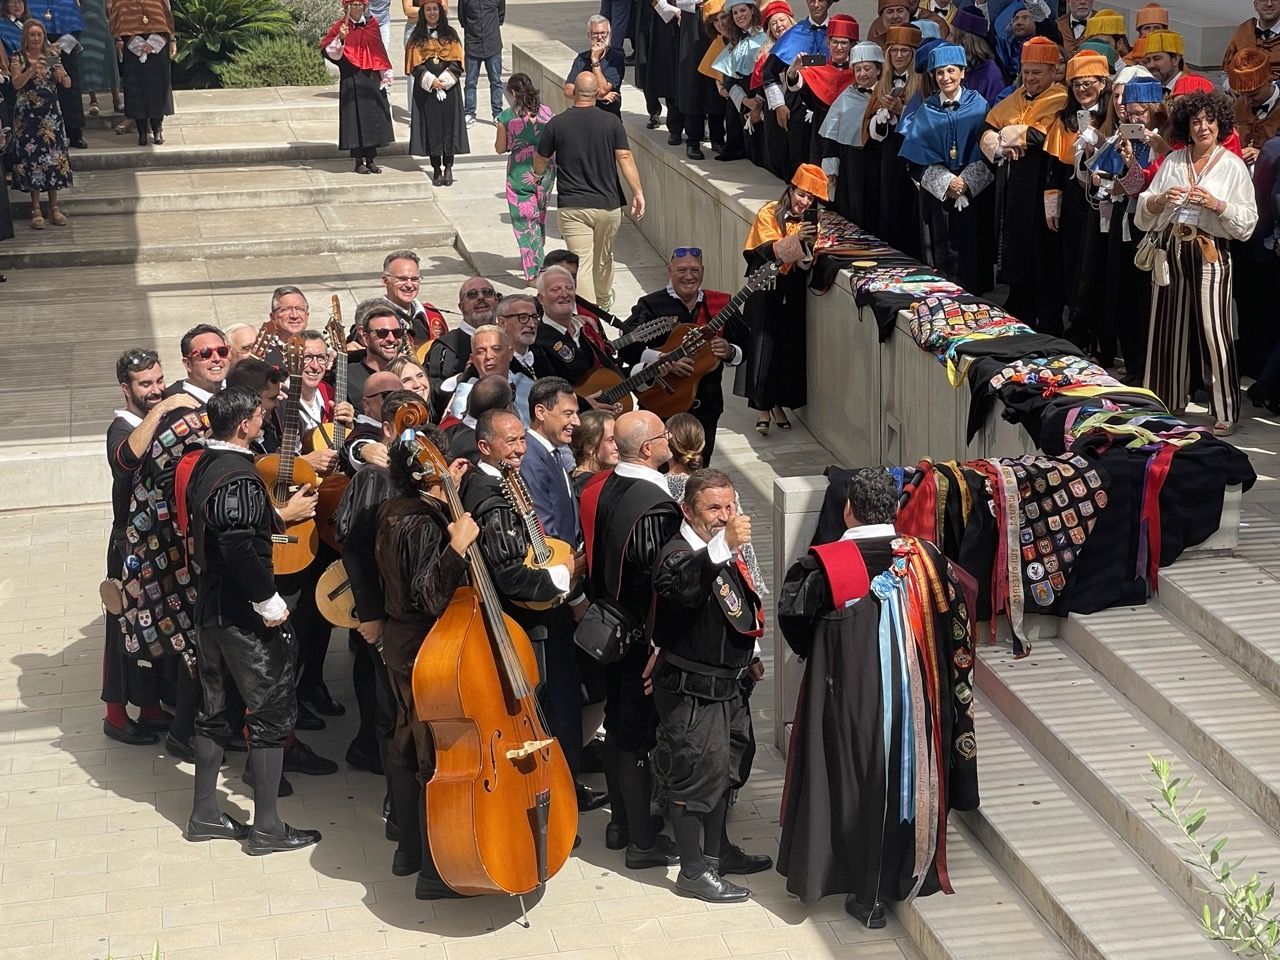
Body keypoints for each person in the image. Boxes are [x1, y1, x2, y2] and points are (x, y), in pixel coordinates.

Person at [776, 467, 979, 926]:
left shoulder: (825, 564)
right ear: (896, 510)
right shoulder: (927, 558)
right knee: (903, 779)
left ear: (848, 509)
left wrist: (825, 650)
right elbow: (961, 607)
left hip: (848, 692)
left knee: (851, 780)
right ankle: (901, 872)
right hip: (917, 696)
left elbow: (795, 618)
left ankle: (858, 887)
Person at [184, 387, 322, 854]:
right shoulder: (240, 475)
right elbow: (239, 546)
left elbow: (227, 529)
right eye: (260, 415)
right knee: (268, 714)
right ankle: (266, 828)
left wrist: (277, 518)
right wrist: (270, 603)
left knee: (214, 709)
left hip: (210, 609)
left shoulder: (204, 463)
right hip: (242, 616)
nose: (264, 420)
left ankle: (205, 813)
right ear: (244, 424)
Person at [650, 467, 771, 903]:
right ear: (688, 509)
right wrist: (722, 546)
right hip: (692, 693)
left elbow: (737, 606)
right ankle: (693, 872)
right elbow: (683, 587)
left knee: (727, 771)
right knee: (693, 778)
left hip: (730, 687)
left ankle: (718, 856)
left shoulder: (725, 550)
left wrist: (750, 657)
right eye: (713, 508)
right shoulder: (679, 553)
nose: (724, 516)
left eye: (730, 506)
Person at [460, 407, 592, 797]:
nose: (520, 449)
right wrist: (565, 573)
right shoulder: (492, 500)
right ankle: (559, 794)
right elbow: (512, 576)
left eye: (521, 439)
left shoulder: (503, 479)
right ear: (485, 446)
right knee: (552, 710)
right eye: (510, 441)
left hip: (536, 618)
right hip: (531, 625)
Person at [374, 422, 476, 900]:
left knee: (404, 741)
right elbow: (430, 595)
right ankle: (435, 871)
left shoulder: (398, 508)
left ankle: (407, 850)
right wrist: (457, 545)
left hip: (403, 642)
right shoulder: (419, 521)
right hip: (422, 647)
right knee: (428, 754)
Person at [576, 409, 681, 865]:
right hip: (640, 641)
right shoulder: (654, 505)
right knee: (634, 734)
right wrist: (659, 646)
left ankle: (621, 824)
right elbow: (657, 583)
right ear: (647, 449)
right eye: (663, 435)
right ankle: (642, 841)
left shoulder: (604, 486)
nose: (670, 439)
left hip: (609, 627)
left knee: (619, 728)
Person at [1136, 90, 1258, 435]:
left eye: (1209, 120)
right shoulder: (1174, 161)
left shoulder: (1233, 166)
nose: (1203, 127)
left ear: (1220, 125)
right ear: (1186, 127)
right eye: (1195, 121)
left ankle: (1225, 409)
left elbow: (1248, 223)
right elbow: (1145, 211)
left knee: (1215, 329)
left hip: (1211, 251)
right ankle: (1165, 401)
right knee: (1165, 327)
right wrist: (1160, 199)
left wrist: (1217, 204)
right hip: (1172, 247)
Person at [102, 350, 197, 746]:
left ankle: (151, 706)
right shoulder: (122, 426)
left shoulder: (157, 412)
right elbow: (126, 459)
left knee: (158, 623)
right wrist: (163, 411)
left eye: (160, 381)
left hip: (162, 539)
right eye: (146, 384)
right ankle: (116, 715)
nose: (156, 390)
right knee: (123, 628)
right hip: (128, 544)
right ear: (126, 388)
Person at [618, 246, 745, 465]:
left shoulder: (719, 305)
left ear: (703, 271)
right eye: (682, 270)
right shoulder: (650, 305)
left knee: (700, 470)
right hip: (662, 407)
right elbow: (627, 349)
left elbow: (745, 346)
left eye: (694, 270)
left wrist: (730, 350)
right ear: (670, 270)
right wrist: (661, 359)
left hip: (706, 408)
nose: (689, 276)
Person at [535, 71, 645, 311]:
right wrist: (637, 192)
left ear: (574, 92)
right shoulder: (612, 122)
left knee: (581, 262)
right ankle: (603, 302)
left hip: (573, 205)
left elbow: (541, 157)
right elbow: (624, 156)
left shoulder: (557, 123)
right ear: (597, 93)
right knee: (604, 257)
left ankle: (590, 314)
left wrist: (537, 176)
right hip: (608, 204)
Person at [981, 35, 1068, 333]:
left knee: (1044, 260)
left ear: (1053, 72)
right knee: (1016, 254)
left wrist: (1009, 133)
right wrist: (999, 143)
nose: (1029, 78)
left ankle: (1049, 324)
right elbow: (988, 127)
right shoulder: (1015, 96)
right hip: (1015, 190)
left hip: (1045, 187)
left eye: (1036, 72)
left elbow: (1042, 136)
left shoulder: (1060, 99)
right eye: (1026, 71)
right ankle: (1019, 315)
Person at [736, 163, 826, 435]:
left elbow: (806, 263)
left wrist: (808, 244)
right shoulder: (768, 213)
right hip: (765, 286)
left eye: (810, 198)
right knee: (762, 346)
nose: (804, 202)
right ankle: (763, 408)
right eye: (801, 195)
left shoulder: (812, 223)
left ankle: (778, 405)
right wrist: (796, 239)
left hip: (791, 289)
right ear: (790, 190)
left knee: (787, 347)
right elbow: (767, 250)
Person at [1044, 49, 1111, 358]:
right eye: (1076, 85)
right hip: (1073, 201)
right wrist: (1052, 208)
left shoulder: (1112, 114)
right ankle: (1078, 329)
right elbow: (1054, 171)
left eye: (1089, 83)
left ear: (1103, 82)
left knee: (1099, 270)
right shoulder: (1065, 119)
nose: (1082, 90)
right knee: (1072, 265)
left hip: (1105, 200)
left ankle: (1102, 337)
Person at [1101, 75, 1164, 383]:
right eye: (1130, 112)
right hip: (1123, 224)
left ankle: (1149, 365)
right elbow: (1102, 178)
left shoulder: (1165, 143)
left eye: (1141, 112)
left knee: (1145, 298)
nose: (1136, 118)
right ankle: (1134, 361)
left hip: (1153, 230)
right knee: (1124, 292)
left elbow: (1143, 186)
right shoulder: (1124, 139)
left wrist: (1126, 178)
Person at [864, 25, 923, 257]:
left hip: (911, 151)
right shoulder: (882, 82)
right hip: (887, 151)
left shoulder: (921, 83)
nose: (899, 55)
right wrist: (881, 120)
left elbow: (926, 121)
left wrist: (902, 110)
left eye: (905, 51)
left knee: (909, 204)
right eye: (894, 51)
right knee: (888, 201)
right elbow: (868, 124)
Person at [10, 20, 73, 229]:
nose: (36, 39)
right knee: (33, 160)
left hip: (50, 116)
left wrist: (59, 71)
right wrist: (32, 68)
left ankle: (54, 207)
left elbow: (67, 83)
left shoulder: (52, 56)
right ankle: (35, 207)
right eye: (32, 35)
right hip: (27, 117)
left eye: (39, 35)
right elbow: (16, 83)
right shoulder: (18, 57)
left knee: (53, 158)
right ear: (26, 38)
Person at [495, 73, 557, 281]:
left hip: (519, 175)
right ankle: (540, 256)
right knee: (539, 216)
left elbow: (500, 148)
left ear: (512, 93)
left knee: (523, 223)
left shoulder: (506, 117)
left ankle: (533, 271)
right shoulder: (547, 113)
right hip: (546, 173)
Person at [321, 0, 394, 175]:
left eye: (360, 5)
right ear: (346, 8)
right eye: (353, 5)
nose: (357, 8)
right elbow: (328, 51)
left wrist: (384, 72)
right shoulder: (340, 26)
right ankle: (358, 161)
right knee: (355, 120)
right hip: (351, 77)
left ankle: (371, 159)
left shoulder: (372, 24)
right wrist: (341, 38)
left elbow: (378, 49)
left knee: (372, 119)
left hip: (370, 77)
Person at [819, 39, 884, 230]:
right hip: (851, 163)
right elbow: (831, 136)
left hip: (879, 163)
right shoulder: (846, 97)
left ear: (878, 70)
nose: (862, 74)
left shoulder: (887, 94)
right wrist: (830, 169)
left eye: (867, 68)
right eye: (858, 69)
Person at [782, 12, 858, 169]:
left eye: (844, 43)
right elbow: (797, 84)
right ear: (828, 44)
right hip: (820, 129)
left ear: (851, 46)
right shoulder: (818, 62)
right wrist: (793, 71)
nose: (838, 47)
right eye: (834, 42)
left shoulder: (860, 70)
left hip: (849, 131)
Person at [406, 0, 469, 187]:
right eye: (428, 9)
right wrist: (430, 81)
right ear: (422, 12)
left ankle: (448, 166)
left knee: (449, 127)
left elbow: (458, 62)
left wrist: (444, 81)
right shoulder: (416, 38)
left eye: (435, 9)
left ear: (440, 11)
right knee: (432, 128)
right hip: (427, 91)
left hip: (449, 89)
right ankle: (436, 169)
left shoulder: (451, 34)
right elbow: (414, 65)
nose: (432, 13)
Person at [424, 276, 498, 414]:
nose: (481, 297)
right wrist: (461, 378)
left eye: (487, 292)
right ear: (461, 306)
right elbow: (432, 393)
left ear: (496, 300)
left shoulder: (509, 339)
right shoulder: (446, 348)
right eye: (472, 294)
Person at [106, 0, 173, 145]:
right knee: (136, 91)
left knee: (157, 89)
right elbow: (119, 21)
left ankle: (157, 130)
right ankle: (142, 133)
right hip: (132, 45)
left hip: (158, 46)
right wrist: (131, 41)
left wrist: (159, 41)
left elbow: (165, 18)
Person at [26, 0, 84, 148]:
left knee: (70, 90)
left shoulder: (69, 2)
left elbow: (76, 29)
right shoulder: (30, 2)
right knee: (45, 88)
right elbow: (25, 26)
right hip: (38, 50)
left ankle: (74, 133)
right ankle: (47, 135)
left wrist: (57, 47)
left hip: (65, 52)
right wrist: (45, 47)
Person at [673, 0, 725, 161]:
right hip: (694, 20)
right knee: (692, 82)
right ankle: (693, 140)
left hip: (718, 15)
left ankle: (718, 137)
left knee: (717, 76)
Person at [347, 297, 409, 406]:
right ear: (365, 337)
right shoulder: (348, 376)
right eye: (382, 333)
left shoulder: (410, 371)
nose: (391, 338)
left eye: (397, 332)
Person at [381, 249, 448, 344]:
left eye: (414, 279)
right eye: (402, 279)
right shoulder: (372, 318)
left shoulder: (431, 316)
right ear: (385, 281)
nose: (409, 285)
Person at [563, 15, 624, 115]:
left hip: (608, 116)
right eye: (595, 34)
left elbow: (603, 90)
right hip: (583, 115)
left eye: (603, 33)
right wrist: (597, 97)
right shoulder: (581, 59)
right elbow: (568, 90)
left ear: (609, 34)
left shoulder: (616, 58)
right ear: (589, 35)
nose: (600, 38)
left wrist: (595, 60)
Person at [456, 0, 503, 126]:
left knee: (496, 81)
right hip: (473, 45)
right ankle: (469, 113)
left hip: (492, 44)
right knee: (470, 82)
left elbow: (501, 16)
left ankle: (497, 113)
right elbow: (462, 18)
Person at [1229, 48, 1280, 161]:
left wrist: (1264, 155)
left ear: (1269, 81)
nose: (1247, 102)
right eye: (1242, 95)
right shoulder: (1238, 106)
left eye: (1253, 95)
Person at [165, 323, 229, 402]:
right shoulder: (169, 402)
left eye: (222, 351)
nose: (217, 358)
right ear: (188, 364)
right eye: (206, 353)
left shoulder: (240, 389)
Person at [1222, 0, 1280, 82]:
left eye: (1275, 0)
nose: (1269, 4)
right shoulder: (1243, 31)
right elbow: (1226, 73)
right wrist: (1230, 87)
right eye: (1263, 0)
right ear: (1256, 5)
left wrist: (1274, 91)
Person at [569, 408, 617, 494]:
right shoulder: (587, 486)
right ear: (589, 447)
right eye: (611, 440)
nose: (617, 446)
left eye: (617, 439)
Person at [1140, 29, 1187, 94]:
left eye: (1157, 58)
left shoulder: (1191, 88)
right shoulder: (1148, 89)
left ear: (1175, 59)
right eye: (1148, 60)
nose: (1150, 65)